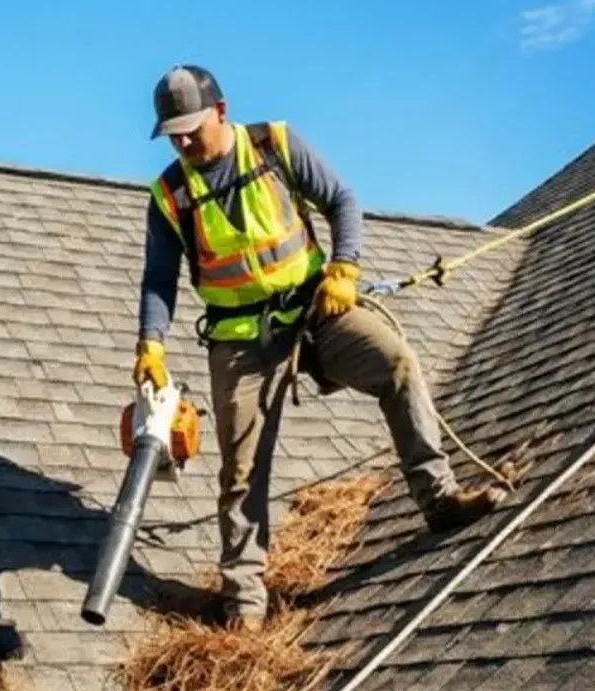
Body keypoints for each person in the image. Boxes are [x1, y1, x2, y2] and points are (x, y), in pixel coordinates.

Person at [134, 64, 507, 628]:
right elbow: (158, 280)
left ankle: (439, 498)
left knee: (396, 363)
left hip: (316, 309)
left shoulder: (276, 145)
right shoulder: (170, 194)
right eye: (173, 134)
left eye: (191, 128)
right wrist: (151, 344)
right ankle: (244, 599)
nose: (184, 142)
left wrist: (345, 268)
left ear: (221, 111)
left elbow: (342, 200)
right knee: (242, 469)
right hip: (240, 340)